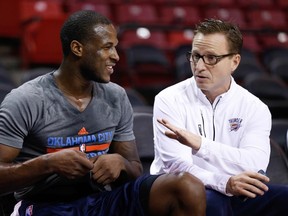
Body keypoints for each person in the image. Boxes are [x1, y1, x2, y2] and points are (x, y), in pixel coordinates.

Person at [0, 10, 206, 216]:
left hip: (101, 200)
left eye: (115, 47)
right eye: (107, 47)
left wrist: (120, 164)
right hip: (44, 205)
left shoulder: (116, 96)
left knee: (187, 186)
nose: (116, 56)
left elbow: (134, 170)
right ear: (77, 48)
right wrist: (47, 164)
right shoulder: (26, 99)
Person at [150, 18, 288, 216]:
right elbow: (177, 167)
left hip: (237, 190)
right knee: (212, 202)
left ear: (235, 62)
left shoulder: (255, 107)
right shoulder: (168, 99)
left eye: (211, 58)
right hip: (185, 192)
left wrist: (200, 144)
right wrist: (225, 183)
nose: (199, 66)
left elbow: (254, 164)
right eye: (195, 56)